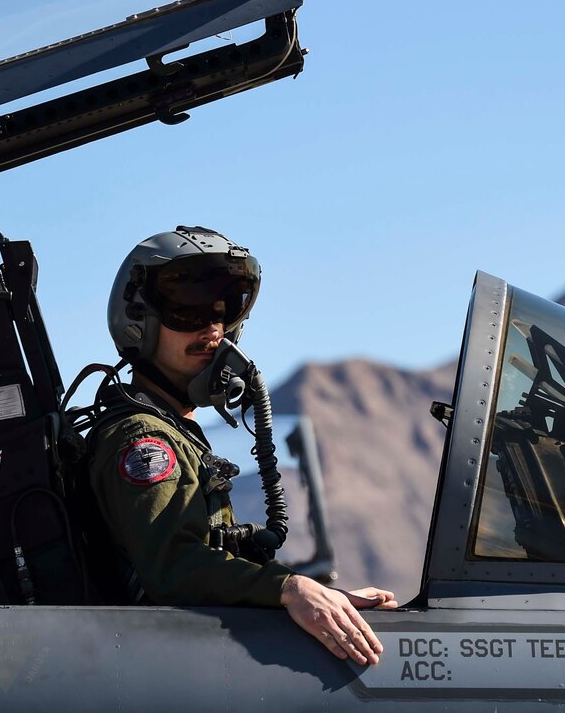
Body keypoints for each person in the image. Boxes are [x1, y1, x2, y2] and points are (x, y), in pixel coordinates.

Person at [88, 225, 397, 665]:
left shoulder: (172, 429)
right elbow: (173, 565)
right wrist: (288, 589)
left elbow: (208, 561)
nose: (213, 331)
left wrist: (320, 596)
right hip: (160, 661)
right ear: (140, 320)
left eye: (222, 313)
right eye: (189, 314)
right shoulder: (144, 438)